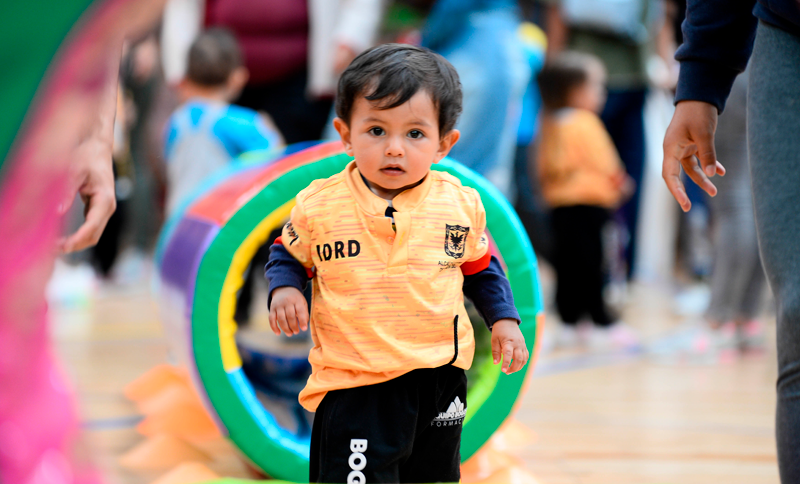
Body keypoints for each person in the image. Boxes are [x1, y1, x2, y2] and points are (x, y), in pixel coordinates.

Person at [265, 44, 528, 483]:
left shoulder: (460, 205)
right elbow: (286, 254)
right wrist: (286, 288)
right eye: (375, 131)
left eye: (414, 134)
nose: (394, 149)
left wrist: (504, 320)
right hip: (357, 384)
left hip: (440, 380)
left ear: (445, 143)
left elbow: (482, 270)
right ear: (345, 134)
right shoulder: (319, 205)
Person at [660, 0, 800, 481]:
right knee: (798, 314)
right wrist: (699, 78)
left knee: (734, 203)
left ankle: (725, 319)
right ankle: (732, 320)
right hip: (783, 33)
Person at [536, 52, 636, 348]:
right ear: (577, 91)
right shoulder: (587, 123)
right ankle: (601, 320)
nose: (602, 94)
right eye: (597, 87)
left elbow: (544, 166)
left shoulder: (552, 124)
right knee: (594, 263)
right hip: (591, 204)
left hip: (561, 205)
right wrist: (620, 182)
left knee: (567, 265)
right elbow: (604, 160)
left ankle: (569, 321)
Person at [163, 28, 281, 215]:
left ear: (185, 79)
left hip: (176, 223)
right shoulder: (246, 123)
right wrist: (272, 131)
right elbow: (277, 164)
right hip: (219, 230)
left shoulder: (176, 121)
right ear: (238, 78)